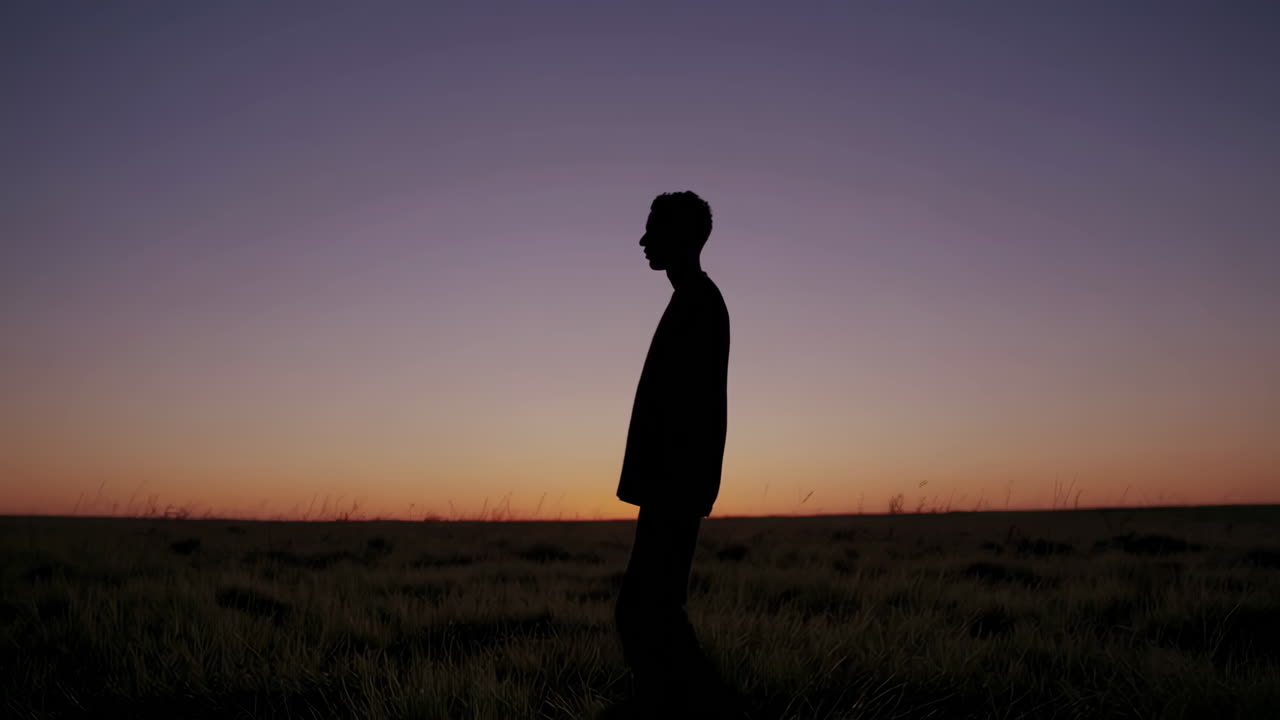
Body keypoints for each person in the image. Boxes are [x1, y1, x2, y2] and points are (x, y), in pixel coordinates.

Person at [614, 191, 733, 712]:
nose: (642, 240)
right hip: (672, 487)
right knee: (651, 611)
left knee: (646, 612)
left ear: (680, 237)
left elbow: (694, 412)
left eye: (652, 230)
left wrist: (674, 488)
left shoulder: (699, 304)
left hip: (674, 487)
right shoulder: (692, 300)